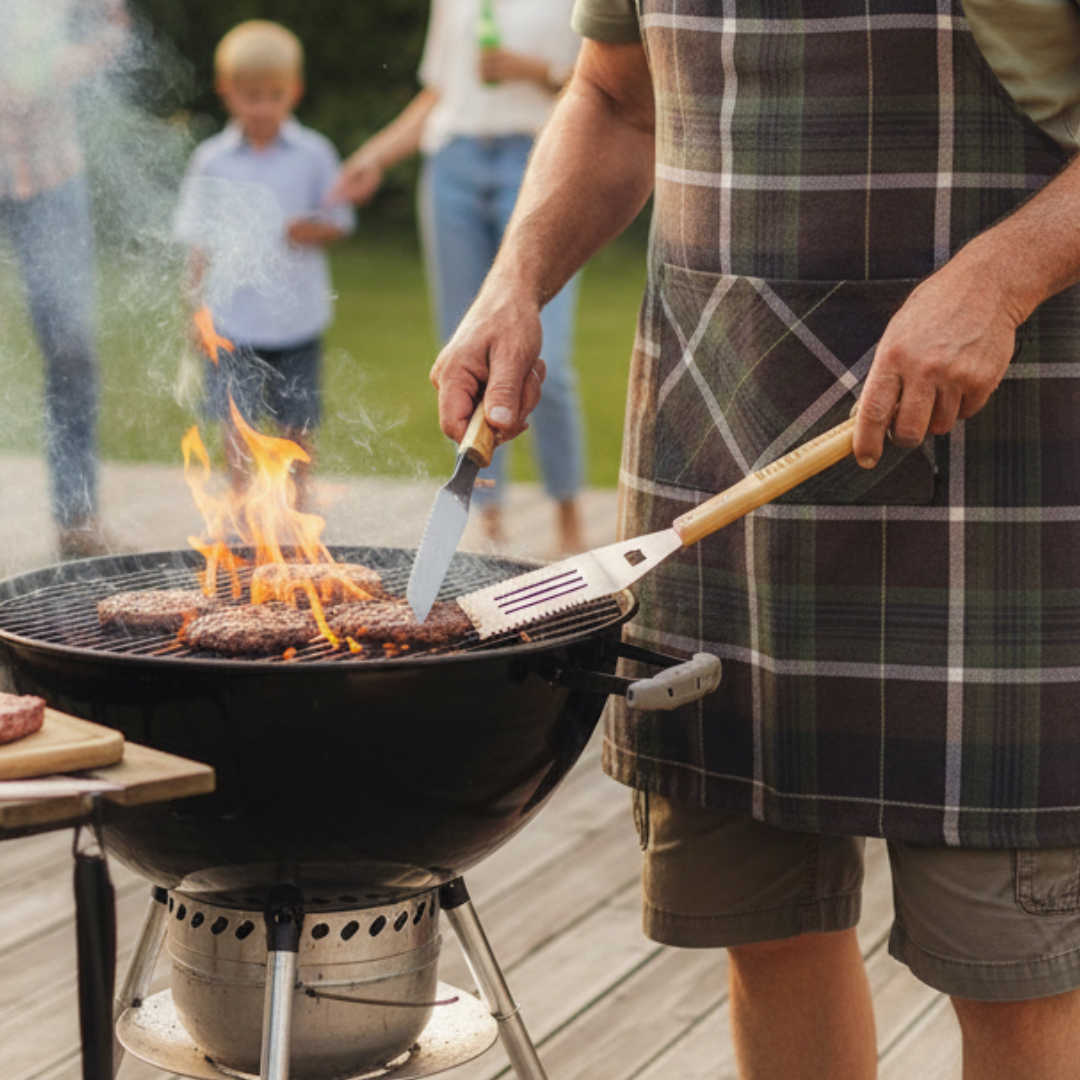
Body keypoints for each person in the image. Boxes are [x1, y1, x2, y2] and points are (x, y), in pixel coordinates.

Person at [426, 1, 1080, 1077]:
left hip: (1008, 448)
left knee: (1010, 969)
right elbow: (612, 97)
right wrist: (515, 281)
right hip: (716, 436)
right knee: (760, 923)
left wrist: (1001, 277)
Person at [333, 0, 586, 555]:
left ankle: (568, 512)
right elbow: (438, 93)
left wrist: (532, 70)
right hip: (454, 163)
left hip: (538, 160)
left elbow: (606, 94)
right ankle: (486, 518)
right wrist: (376, 156)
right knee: (465, 359)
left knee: (553, 365)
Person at [174, 20, 354, 512]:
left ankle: (299, 510)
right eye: (250, 95)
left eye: (273, 95)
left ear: (293, 92)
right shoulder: (211, 162)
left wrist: (309, 231)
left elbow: (339, 221)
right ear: (226, 93)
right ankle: (244, 509)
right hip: (233, 322)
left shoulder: (314, 155)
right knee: (237, 421)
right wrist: (196, 310)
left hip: (297, 320)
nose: (262, 107)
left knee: (298, 421)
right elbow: (198, 245)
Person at [0, 0, 129, 559]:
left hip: (51, 169)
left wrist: (74, 58)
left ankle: (77, 517)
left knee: (71, 342)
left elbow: (112, 26)